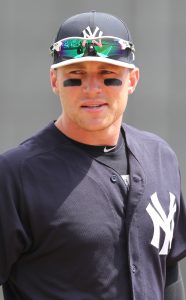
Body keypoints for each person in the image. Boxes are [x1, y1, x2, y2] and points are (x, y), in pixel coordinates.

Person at [0, 10, 186, 300]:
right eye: (75, 76)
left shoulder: (161, 158)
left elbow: (167, 268)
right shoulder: (15, 175)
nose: (92, 89)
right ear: (54, 80)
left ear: (132, 80)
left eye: (108, 75)